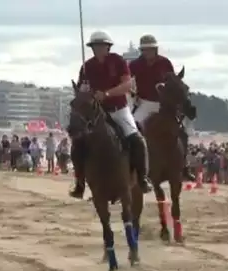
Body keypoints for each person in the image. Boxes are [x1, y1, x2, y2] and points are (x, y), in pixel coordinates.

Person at [69, 30, 153, 199]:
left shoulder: (118, 61)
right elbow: (82, 91)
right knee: (78, 142)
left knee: (137, 139)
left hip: (118, 109)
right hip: (95, 112)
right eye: (95, 46)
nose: (98, 49)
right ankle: (80, 182)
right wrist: (86, 93)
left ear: (108, 47)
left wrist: (106, 94)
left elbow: (127, 85)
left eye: (101, 46)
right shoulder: (87, 67)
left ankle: (143, 179)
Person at [129, 34, 195, 181]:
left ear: (156, 49)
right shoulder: (134, 65)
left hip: (163, 105)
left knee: (182, 132)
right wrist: (132, 94)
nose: (148, 53)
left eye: (150, 49)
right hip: (144, 103)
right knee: (134, 130)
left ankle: (184, 165)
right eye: (145, 50)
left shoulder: (165, 63)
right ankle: (132, 166)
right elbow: (127, 82)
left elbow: (172, 82)